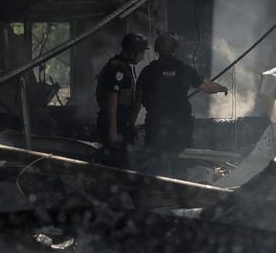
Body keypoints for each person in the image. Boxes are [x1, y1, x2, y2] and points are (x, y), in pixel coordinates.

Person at [138, 33, 228, 177]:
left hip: (156, 125)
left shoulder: (148, 70)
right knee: (178, 165)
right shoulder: (184, 69)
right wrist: (222, 88)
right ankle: (179, 192)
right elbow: (207, 87)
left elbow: (138, 97)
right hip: (179, 126)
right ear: (175, 49)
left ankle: (156, 192)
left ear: (157, 50)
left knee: (154, 164)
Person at [95, 32, 148, 169]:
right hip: (115, 123)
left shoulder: (123, 67)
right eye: (142, 53)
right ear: (133, 52)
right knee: (116, 164)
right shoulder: (118, 69)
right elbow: (113, 97)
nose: (143, 57)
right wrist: (113, 130)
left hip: (121, 123)